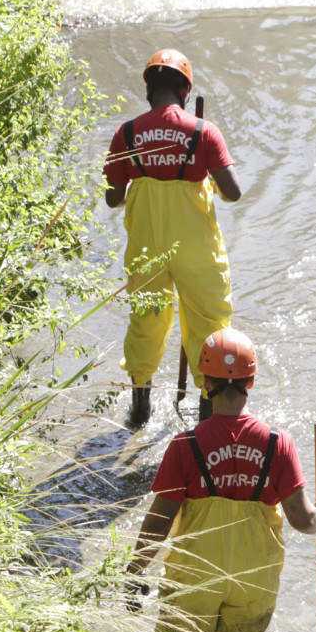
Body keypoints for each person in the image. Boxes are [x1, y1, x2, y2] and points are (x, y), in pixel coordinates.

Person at [125, 328, 316, 632]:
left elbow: (158, 522)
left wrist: (134, 571)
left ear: (205, 383)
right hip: (253, 582)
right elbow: (302, 519)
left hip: (194, 579)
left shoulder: (185, 445)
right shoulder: (278, 443)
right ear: (250, 381)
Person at [103, 48, 244, 427]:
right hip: (197, 249)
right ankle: (208, 423)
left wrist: (144, 178)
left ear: (149, 88)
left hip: (147, 247)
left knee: (146, 322)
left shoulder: (126, 133)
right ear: (185, 90)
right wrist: (204, 169)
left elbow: (113, 198)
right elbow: (233, 193)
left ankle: (139, 413)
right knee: (210, 326)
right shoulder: (203, 132)